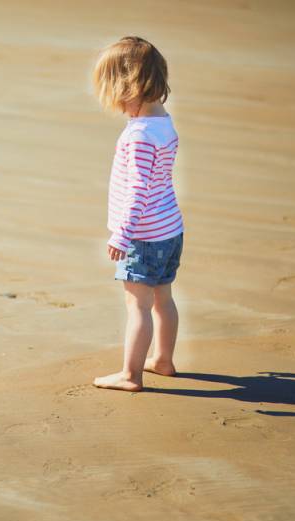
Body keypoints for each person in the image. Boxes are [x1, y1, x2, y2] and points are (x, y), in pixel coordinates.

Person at [90, 36, 184, 392]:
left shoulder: (139, 136)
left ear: (128, 87)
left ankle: (131, 375)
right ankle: (163, 359)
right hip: (169, 229)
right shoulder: (163, 123)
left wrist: (122, 234)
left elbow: (138, 190)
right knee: (164, 298)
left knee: (138, 306)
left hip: (143, 236)